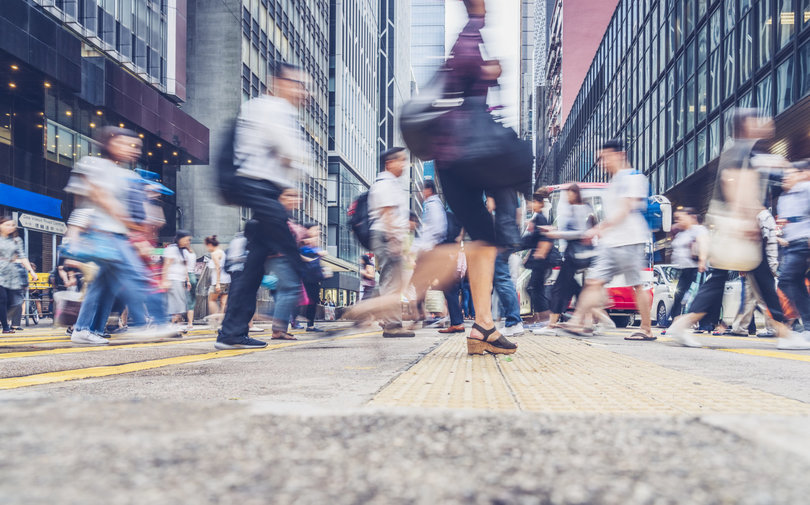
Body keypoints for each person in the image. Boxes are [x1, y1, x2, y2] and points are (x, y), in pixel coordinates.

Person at [667, 109, 805, 349]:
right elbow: (732, 182)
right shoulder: (740, 150)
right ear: (745, 125)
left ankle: (682, 324)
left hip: (734, 224)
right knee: (748, 278)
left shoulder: (743, 150)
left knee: (729, 278)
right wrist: (747, 219)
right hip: (738, 225)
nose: (764, 123)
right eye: (757, 120)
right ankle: (784, 334)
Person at [429, 0, 517, 355]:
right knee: (482, 239)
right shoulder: (469, 35)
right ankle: (389, 300)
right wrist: (487, 72)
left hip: (457, 158)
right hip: (462, 156)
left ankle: (483, 325)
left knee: (485, 239)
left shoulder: (470, 37)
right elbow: (461, 77)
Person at [216, 62, 310, 349]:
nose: (303, 91)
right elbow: (295, 154)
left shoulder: (270, 109)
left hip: (264, 190)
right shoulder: (272, 108)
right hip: (257, 187)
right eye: (296, 83)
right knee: (290, 251)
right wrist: (292, 160)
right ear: (277, 82)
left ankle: (232, 333)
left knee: (253, 266)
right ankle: (234, 331)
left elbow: (291, 159)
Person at [65, 127, 176, 345]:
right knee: (138, 278)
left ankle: (84, 330)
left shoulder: (127, 175)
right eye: (127, 144)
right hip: (106, 236)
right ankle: (153, 323)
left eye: (136, 147)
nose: (132, 150)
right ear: (110, 142)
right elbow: (98, 199)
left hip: (119, 236)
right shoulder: (91, 164)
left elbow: (139, 209)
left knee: (102, 288)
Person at [558, 140, 654, 341]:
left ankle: (646, 328)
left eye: (606, 157)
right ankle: (577, 322)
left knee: (636, 284)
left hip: (630, 240)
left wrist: (600, 228)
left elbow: (627, 208)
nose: (602, 162)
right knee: (593, 282)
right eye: (600, 158)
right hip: (610, 243)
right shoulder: (613, 182)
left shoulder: (633, 177)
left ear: (620, 154)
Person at [535, 184, 595, 334]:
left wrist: (557, 234)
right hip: (573, 255)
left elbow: (580, 233)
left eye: (570, 194)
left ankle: (551, 325)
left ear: (576, 194)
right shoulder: (582, 208)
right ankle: (590, 319)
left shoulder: (578, 209)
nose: (568, 197)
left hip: (574, 255)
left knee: (559, 289)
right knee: (575, 289)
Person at [368, 147, 414, 338]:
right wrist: (394, 240)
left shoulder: (391, 183)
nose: (404, 164)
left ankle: (388, 320)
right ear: (390, 163)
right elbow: (387, 214)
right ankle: (391, 324)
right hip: (386, 235)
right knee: (390, 281)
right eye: (401, 160)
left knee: (393, 280)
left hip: (389, 235)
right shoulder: (385, 184)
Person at [775, 164, 810, 345]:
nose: (785, 178)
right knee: (796, 284)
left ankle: (798, 323)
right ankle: (807, 327)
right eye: (784, 176)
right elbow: (785, 222)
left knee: (786, 280)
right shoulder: (783, 197)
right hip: (790, 245)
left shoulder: (806, 190)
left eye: (790, 174)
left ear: (799, 175)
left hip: (804, 242)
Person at [667, 208, 709, 324]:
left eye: (680, 218)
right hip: (682, 270)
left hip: (695, 269)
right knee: (679, 296)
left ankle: (703, 324)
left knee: (696, 296)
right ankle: (675, 321)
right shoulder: (681, 232)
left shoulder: (698, 229)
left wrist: (702, 261)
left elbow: (703, 243)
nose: (678, 221)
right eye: (676, 219)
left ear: (691, 217)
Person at [0, 217, 35, 334]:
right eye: (7, 225)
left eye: (12, 225)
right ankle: (5, 327)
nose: (10, 227)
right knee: (2, 299)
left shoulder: (17, 240)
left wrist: (31, 271)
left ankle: (5, 321)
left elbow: (23, 256)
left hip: (11, 274)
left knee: (15, 301)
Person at [525, 189, 553, 329]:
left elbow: (544, 238)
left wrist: (540, 253)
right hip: (539, 260)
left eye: (533, 202)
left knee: (535, 288)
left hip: (541, 260)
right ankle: (541, 318)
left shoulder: (540, 218)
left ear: (540, 203)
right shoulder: (537, 218)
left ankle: (544, 319)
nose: (531, 204)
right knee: (534, 288)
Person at [164, 230, 196, 330]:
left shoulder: (183, 251)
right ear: (180, 239)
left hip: (180, 280)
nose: (188, 242)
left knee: (180, 304)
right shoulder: (171, 249)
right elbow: (167, 264)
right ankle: (172, 326)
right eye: (186, 240)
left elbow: (185, 267)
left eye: (189, 240)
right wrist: (164, 279)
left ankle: (174, 325)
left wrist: (187, 280)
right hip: (172, 278)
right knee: (176, 304)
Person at [300, 223, 326, 332]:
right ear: (308, 230)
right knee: (307, 299)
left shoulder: (313, 243)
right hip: (306, 276)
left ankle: (310, 324)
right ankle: (298, 319)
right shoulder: (303, 242)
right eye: (316, 229)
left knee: (313, 300)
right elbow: (300, 253)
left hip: (313, 276)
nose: (318, 231)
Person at [205, 235, 230, 327]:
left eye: (207, 245)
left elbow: (218, 268)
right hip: (227, 280)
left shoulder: (214, 253)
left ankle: (214, 320)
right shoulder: (222, 253)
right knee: (223, 302)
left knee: (211, 300)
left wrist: (218, 283)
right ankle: (221, 322)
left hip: (218, 281)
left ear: (210, 244)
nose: (207, 248)